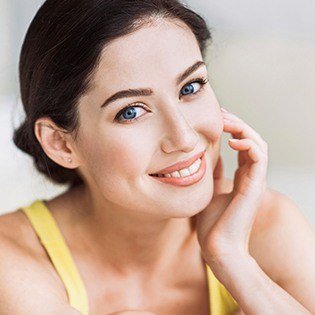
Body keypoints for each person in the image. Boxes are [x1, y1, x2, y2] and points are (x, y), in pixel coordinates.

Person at [0, 0, 314, 314]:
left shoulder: (266, 226)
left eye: (191, 87)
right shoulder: (11, 258)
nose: (185, 138)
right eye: (131, 111)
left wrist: (233, 260)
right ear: (61, 144)